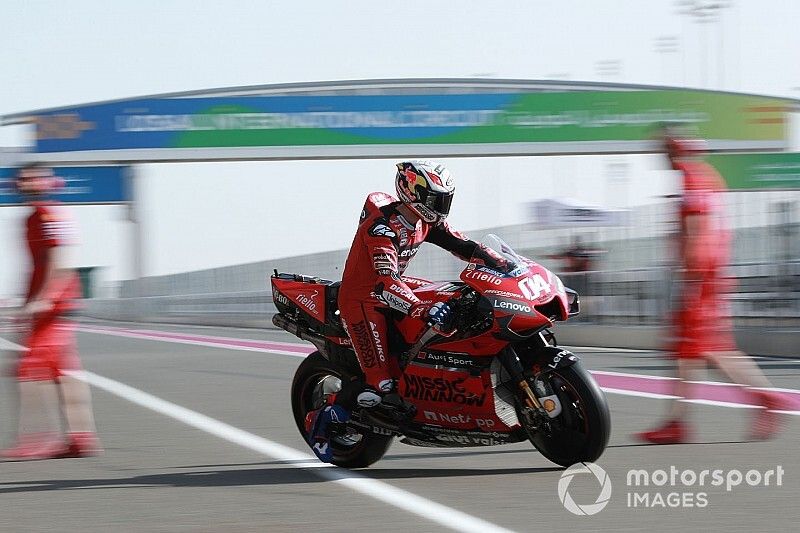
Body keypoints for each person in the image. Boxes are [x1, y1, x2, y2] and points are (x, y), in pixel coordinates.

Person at [305, 160, 501, 462]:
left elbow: (463, 245)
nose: (442, 206)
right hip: (364, 300)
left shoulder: (425, 221)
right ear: (413, 193)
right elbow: (385, 282)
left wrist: (497, 261)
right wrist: (420, 308)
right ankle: (324, 420)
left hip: (397, 287)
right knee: (380, 384)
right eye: (437, 199)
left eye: (445, 198)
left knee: (458, 299)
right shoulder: (382, 227)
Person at [637, 132, 786, 444]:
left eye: (665, 149)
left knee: (698, 349)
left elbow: (695, 229)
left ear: (675, 151)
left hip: (700, 277)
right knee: (700, 351)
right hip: (711, 275)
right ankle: (682, 420)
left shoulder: (691, 180)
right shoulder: (708, 177)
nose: (662, 156)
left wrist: (689, 276)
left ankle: (763, 399)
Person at [1, 164, 101, 460]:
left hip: (56, 306)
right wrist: (26, 301)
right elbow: (36, 265)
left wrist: (45, 298)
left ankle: (34, 438)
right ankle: (81, 437)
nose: (27, 185)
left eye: (34, 179)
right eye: (23, 181)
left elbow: (62, 258)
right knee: (64, 373)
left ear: (49, 183)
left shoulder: (52, 214)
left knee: (28, 368)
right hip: (46, 305)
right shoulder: (31, 218)